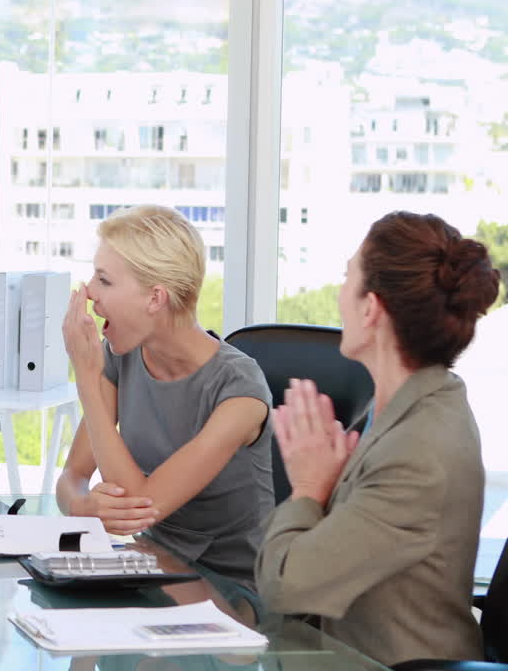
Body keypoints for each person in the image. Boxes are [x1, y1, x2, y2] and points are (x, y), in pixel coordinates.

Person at [255, 211, 500, 666]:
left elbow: (286, 585)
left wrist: (308, 488)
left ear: (370, 308)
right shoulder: (396, 409)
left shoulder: (418, 452)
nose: (339, 294)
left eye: (347, 277)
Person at [56, 204, 273, 584]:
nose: (89, 292)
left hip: (234, 587)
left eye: (104, 280)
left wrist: (86, 380)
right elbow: (73, 475)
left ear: (155, 299)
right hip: (154, 566)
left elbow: (138, 507)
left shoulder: (239, 389)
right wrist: (82, 506)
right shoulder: (121, 357)